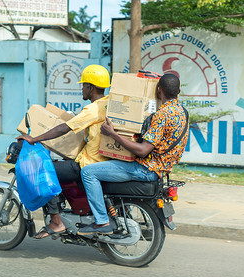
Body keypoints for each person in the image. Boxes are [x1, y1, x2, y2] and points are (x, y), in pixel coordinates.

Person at [77, 73, 189, 235]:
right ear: (178, 91)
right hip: (163, 168)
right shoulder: (182, 112)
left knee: (88, 172)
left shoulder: (162, 115)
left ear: (159, 91)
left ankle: (101, 221)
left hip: (146, 169)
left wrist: (113, 134)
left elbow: (143, 150)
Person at [17, 64, 111, 239]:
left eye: (83, 85)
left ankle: (56, 221)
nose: (82, 88)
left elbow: (64, 128)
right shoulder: (106, 104)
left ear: (90, 87)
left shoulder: (92, 109)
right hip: (101, 160)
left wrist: (34, 138)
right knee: (58, 166)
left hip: (88, 163)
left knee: (44, 170)